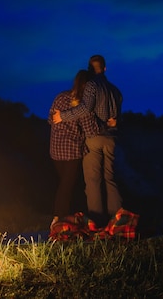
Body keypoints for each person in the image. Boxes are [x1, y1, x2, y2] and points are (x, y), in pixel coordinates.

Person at [53, 54, 123, 226]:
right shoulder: (115, 90)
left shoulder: (92, 85)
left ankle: (98, 222)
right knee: (110, 179)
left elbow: (85, 109)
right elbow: (116, 117)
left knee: (93, 181)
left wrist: (63, 116)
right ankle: (117, 221)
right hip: (111, 138)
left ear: (90, 69)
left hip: (94, 137)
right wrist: (116, 122)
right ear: (105, 68)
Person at [48, 69, 99, 228]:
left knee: (66, 184)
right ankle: (58, 220)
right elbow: (91, 131)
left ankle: (67, 220)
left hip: (55, 150)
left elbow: (51, 119)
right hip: (72, 151)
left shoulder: (60, 97)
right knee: (67, 186)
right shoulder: (83, 106)